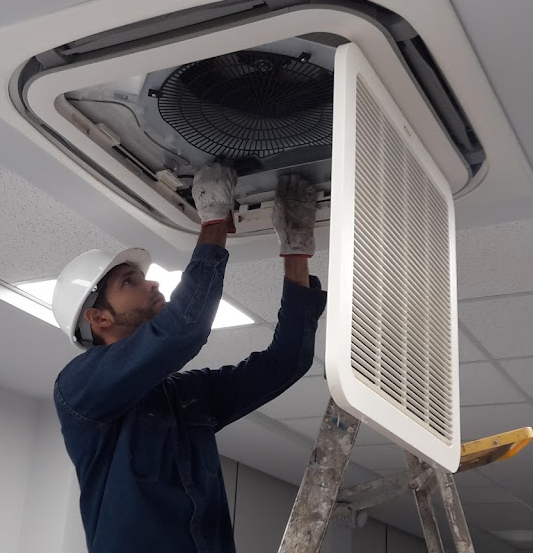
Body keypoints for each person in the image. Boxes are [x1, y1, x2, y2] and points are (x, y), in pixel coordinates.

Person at [50, 162, 328, 553]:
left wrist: (296, 251)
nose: (151, 282)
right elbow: (183, 329)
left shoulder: (184, 397)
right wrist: (213, 221)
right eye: (129, 282)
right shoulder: (79, 390)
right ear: (99, 318)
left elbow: (285, 363)